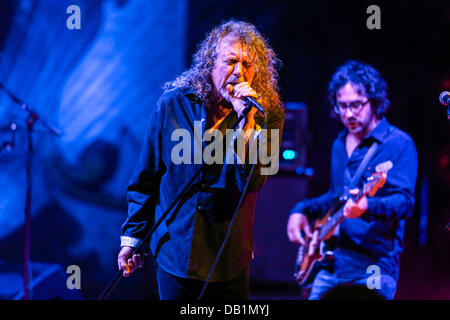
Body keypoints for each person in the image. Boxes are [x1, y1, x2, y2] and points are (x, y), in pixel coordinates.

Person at [117, 20, 284, 300]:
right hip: (174, 253)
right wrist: (132, 239)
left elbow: (254, 181)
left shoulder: (267, 115)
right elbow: (147, 176)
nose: (239, 73)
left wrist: (248, 121)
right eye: (231, 61)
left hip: (227, 258)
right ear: (211, 64)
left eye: (248, 65)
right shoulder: (173, 105)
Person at [287, 60, 417, 300]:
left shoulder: (398, 144)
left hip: (373, 266)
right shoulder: (339, 142)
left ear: (375, 102)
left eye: (356, 105)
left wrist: (368, 206)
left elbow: (404, 202)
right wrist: (300, 209)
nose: (348, 114)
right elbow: (336, 196)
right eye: (342, 106)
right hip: (331, 263)